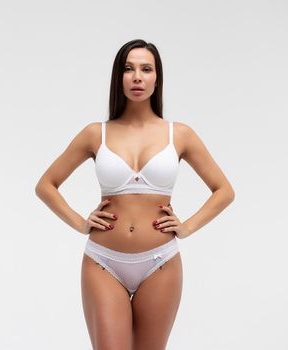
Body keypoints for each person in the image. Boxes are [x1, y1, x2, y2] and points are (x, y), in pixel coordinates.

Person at [35, 39, 235, 350]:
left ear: (157, 78)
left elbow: (224, 190)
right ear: (119, 77)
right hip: (103, 262)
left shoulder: (179, 134)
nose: (137, 77)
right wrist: (80, 222)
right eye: (129, 69)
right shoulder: (95, 133)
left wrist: (187, 227)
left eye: (146, 69)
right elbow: (46, 185)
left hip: (160, 263)